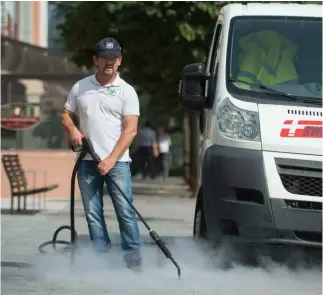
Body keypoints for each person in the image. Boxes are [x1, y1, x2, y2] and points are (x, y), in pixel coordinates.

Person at [61, 36, 142, 270]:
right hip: (86, 163)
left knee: (125, 212)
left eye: (114, 58)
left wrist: (111, 159)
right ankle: (102, 260)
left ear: (120, 61)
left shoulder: (127, 92)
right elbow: (65, 114)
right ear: (95, 60)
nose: (109, 62)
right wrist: (74, 130)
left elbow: (131, 130)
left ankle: (133, 261)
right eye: (104, 57)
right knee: (93, 214)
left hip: (118, 164)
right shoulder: (81, 87)